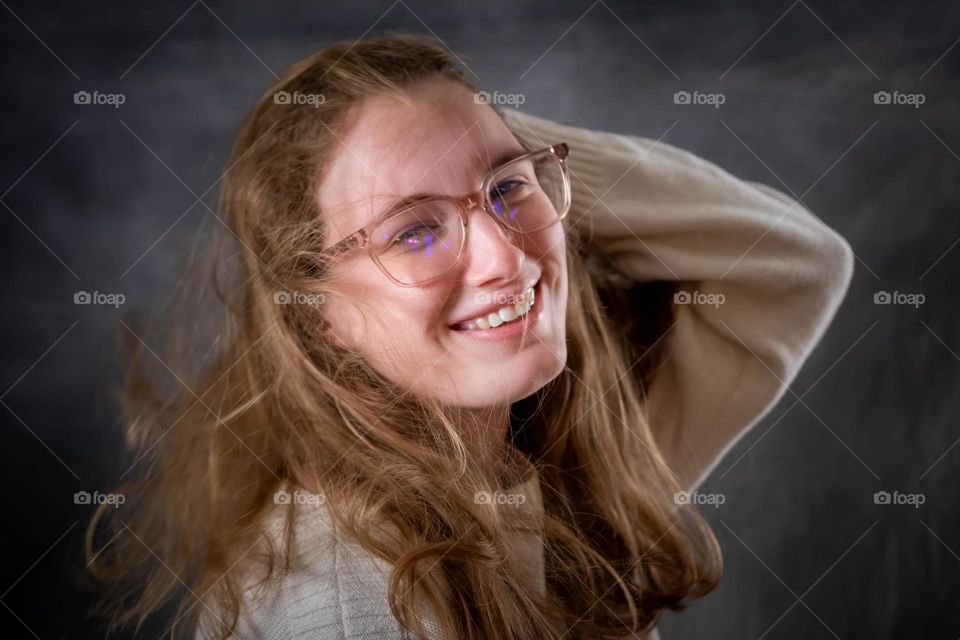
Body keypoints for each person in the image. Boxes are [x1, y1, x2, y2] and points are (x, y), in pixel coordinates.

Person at [84, 33, 854, 640]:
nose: (506, 255)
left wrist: (475, 138)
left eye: (508, 187)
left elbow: (797, 263)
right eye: (414, 233)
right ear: (317, 312)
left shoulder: (565, 458)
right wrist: (467, 142)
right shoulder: (350, 613)